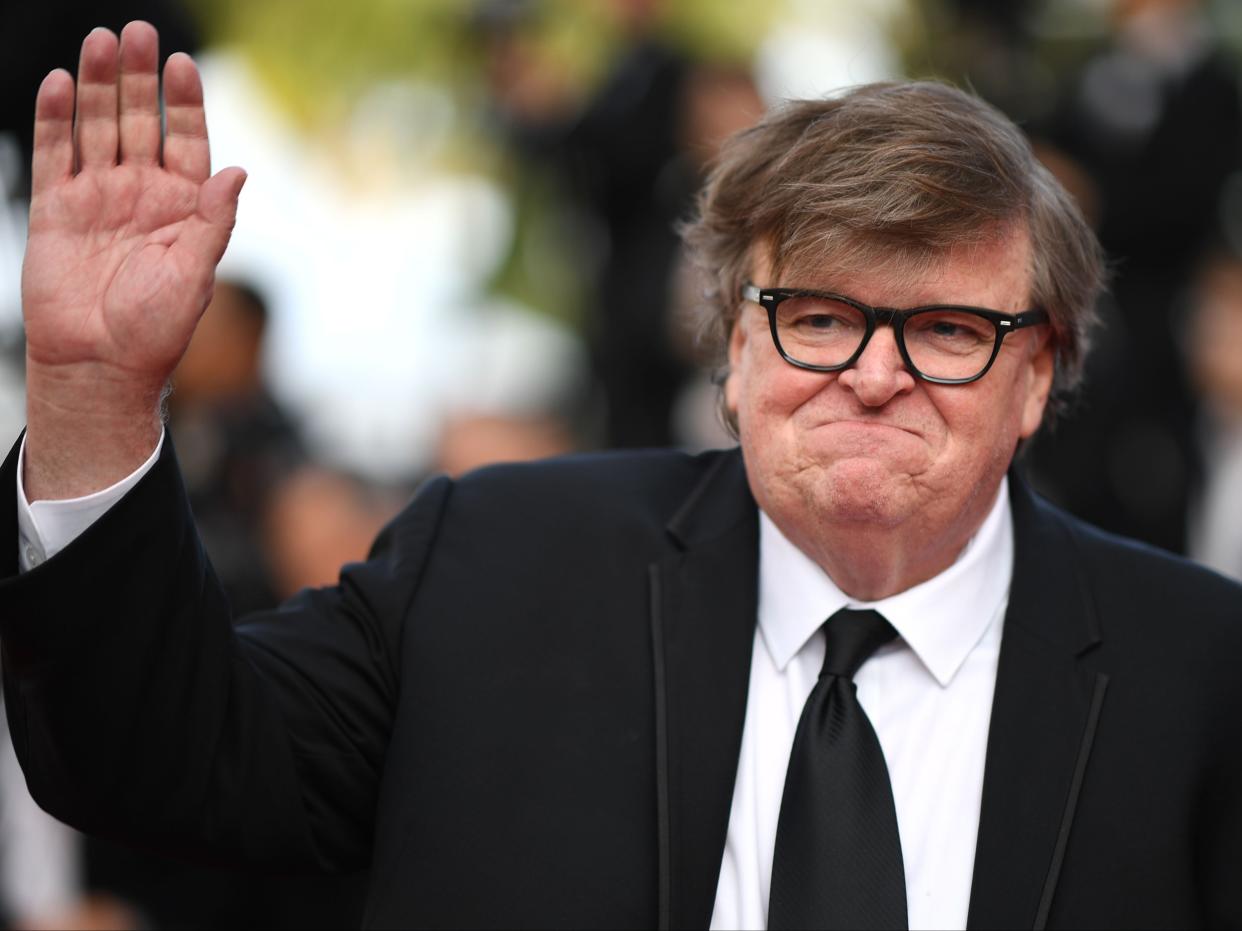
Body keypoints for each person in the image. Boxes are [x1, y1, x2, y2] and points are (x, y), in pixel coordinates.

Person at [2, 20, 1240, 931]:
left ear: (1040, 376)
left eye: (951, 332)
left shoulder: (1202, 674)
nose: (874, 376)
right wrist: (93, 393)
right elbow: (157, 761)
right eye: (817, 317)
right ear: (735, 348)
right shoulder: (491, 570)